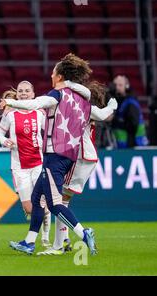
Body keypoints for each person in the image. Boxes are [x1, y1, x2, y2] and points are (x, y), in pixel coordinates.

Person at [2, 54, 97, 256]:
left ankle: (83, 232)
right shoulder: (78, 98)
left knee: (54, 204)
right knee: (37, 200)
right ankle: (29, 242)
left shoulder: (58, 95)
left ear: (60, 76)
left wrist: (11, 103)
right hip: (60, 155)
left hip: (54, 156)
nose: (51, 74)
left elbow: (33, 104)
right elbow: (100, 113)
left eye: (54, 72)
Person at [38, 81, 118, 255]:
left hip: (79, 156)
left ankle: (61, 244)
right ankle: (63, 241)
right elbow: (104, 114)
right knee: (63, 199)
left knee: (58, 200)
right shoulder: (90, 109)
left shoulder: (81, 107)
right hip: (88, 157)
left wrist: (67, 84)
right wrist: (112, 106)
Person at [0, 81, 51, 247]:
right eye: (21, 91)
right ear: (17, 95)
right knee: (29, 208)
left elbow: (49, 133)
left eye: (27, 91)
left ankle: (45, 236)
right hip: (19, 167)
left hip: (38, 164)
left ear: (33, 94)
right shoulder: (10, 114)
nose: (24, 93)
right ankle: (40, 225)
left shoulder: (40, 113)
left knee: (40, 202)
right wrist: (5, 141)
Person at [111, 75, 148, 148]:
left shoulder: (131, 103)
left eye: (120, 85)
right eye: (115, 85)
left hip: (132, 145)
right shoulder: (119, 101)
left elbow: (133, 125)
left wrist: (115, 120)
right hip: (123, 145)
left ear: (127, 86)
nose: (117, 87)